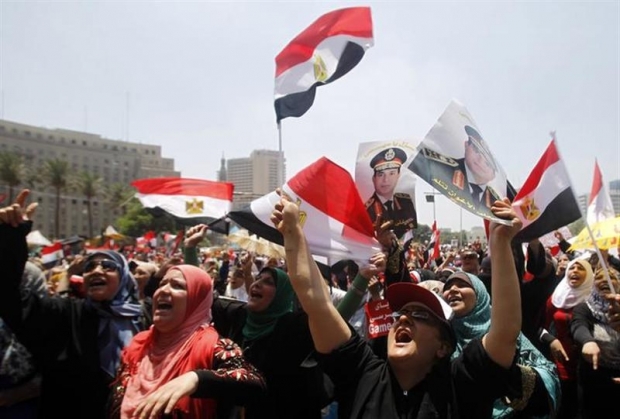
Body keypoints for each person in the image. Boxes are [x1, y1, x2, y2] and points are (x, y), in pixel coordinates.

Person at [272, 191, 551, 418]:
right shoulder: (361, 371)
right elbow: (316, 302)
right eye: (401, 313)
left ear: (444, 347)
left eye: (419, 314)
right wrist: (293, 234)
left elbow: (505, 331)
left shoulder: (462, 384)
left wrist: (500, 242)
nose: (402, 320)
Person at [0, 189, 146, 419]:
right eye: (89, 267)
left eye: (108, 266)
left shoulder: (146, 319)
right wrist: (11, 236)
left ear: (124, 278)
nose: (96, 270)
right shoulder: (64, 314)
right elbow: (9, 299)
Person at [109, 265, 265, 419]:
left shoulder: (213, 346)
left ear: (196, 299)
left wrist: (196, 379)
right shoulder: (139, 344)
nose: (163, 290)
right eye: (162, 284)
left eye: (178, 286)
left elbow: (255, 384)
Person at [443, 271, 560, 418]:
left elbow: (545, 374)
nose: (452, 290)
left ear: (480, 294)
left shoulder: (504, 328)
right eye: (447, 287)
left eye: (462, 285)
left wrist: (511, 378)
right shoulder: (441, 335)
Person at [539, 259, 594, 419]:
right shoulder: (556, 298)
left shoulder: (596, 300)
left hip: (590, 366)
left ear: (589, 274)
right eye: (572, 267)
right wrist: (551, 339)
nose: (574, 271)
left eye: (580, 268)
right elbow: (539, 328)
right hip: (562, 365)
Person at [410, 125, 502, 210]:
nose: (480, 161)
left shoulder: (497, 202)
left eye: (488, 163)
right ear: (466, 145)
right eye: (476, 150)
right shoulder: (434, 165)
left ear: (494, 176)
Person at [570, 267, 620, 419]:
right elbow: (578, 325)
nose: (605, 280)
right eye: (599, 277)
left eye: (611, 277)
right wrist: (587, 342)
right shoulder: (585, 307)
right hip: (594, 378)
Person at [365, 147, 417, 238]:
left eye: (392, 173)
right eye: (381, 174)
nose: (386, 180)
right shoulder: (367, 209)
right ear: (374, 178)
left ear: (398, 175)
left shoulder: (406, 202)